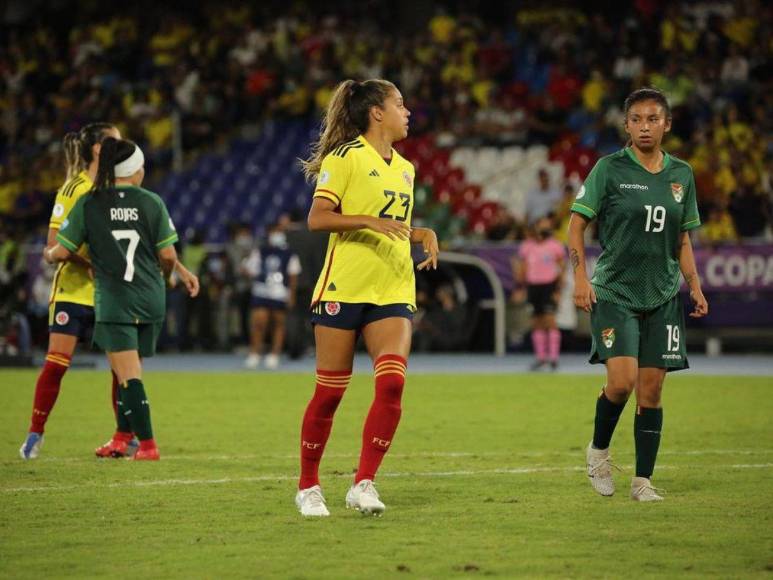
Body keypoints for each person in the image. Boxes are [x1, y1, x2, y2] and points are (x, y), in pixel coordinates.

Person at [295, 79, 438, 517]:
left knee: (393, 383)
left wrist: (420, 232)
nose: (407, 111)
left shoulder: (406, 168)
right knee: (329, 394)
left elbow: (394, 226)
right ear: (377, 113)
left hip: (393, 287)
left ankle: (364, 482)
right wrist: (367, 222)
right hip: (345, 285)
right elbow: (318, 218)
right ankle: (308, 486)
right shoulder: (345, 158)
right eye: (400, 103)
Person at [568, 87, 708, 502]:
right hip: (615, 292)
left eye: (652, 119)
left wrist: (695, 286)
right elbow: (576, 226)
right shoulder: (609, 170)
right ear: (626, 126)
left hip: (663, 294)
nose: (644, 127)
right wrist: (579, 278)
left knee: (652, 391)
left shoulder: (681, 174)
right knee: (622, 382)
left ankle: (642, 481)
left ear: (666, 124)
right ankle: (598, 452)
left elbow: (682, 238)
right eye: (636, 120)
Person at [44, 138, 199, 461]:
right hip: (151, 298)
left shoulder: (90, 202)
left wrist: (48, 254)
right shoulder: (151, 202)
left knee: (127, 376)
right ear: (135, 171)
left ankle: (147, 445)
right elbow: (167, 254)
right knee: (131, 373)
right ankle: (122, 437)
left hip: (115, 300)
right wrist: (170, 273)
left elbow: (62, 251)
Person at [19, 123, 138, 460]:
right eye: (115, 140)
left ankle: (124, 435)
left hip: (110, 294)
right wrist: (91, 261)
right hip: (73, 292)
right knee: (57, 364)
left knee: (122, 370)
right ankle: (34, 434)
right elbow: (53, 245)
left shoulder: (119, 190)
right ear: (99, 149)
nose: (122, 145)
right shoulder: (75, 188)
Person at [242, 222, 301, 370]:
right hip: (261, 290)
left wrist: (292, 295)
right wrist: (245, 267)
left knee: (278, 323)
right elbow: (251, 269)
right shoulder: (261, 251)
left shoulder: (289, 253)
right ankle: (254, 353)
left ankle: (275, 354)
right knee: (258, 323)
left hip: (280, 292)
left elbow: (293, 274)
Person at [513, 215, 565, 371]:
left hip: (548, 286)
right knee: (536, 321)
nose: (544, 228)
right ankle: (541, 357)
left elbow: (562, 268)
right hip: (533, 286)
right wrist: (520, 287)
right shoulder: (527, 246)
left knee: (550, 320)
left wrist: (558, 289)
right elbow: (522, 269)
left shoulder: (555, 246)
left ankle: (554, 358)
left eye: (547, 225)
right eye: (542, 225)